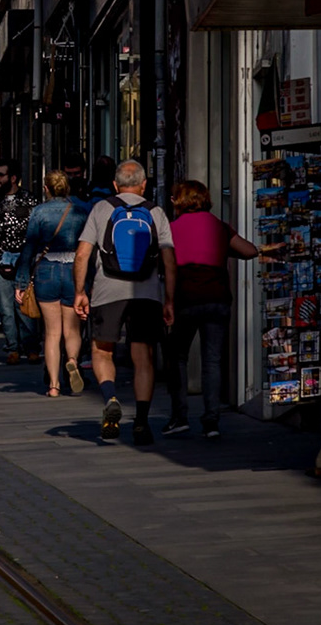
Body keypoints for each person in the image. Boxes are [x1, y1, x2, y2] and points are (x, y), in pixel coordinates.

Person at [73, 160, 178, 445]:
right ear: (144, 185)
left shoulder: (102, 208)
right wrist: (168, 299)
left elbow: (83, 254)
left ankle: (111, 398)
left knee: (101, 350)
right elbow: (169, 260)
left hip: (108, 291)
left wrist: (80, 291)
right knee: (142, 356)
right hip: (146, 293)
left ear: (115, 185)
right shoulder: (155, 212)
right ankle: (142, 422)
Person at [163, 179, 258, 438]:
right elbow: (250, 251)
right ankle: (211, 421)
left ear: (179, 201)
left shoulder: (171, 229)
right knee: (212, 360)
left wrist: (168, 300)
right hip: (217, 297)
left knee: (177, 356)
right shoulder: (219, 226)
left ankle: (179, 416)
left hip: (187, 297)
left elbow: (167, 266)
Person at [17, 170, 92, 397]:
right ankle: (72, 361)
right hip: (73, 270)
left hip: (46, 270)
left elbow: (29, 248)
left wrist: (20, 282)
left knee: (51, 333)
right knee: (72, 329)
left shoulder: (39, 212)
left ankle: (53, 385)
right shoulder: (80, 211)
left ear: (46, 189)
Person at [0, 158, 40, 366]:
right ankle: (13, 347)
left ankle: (31, 347)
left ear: (13, 178)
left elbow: (38, 230)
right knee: (5, 307)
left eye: (0, 175)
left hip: (24, 259)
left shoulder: (29, 200)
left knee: (25, 304)